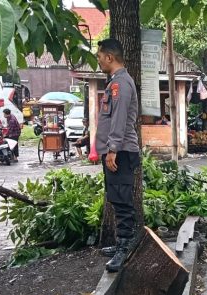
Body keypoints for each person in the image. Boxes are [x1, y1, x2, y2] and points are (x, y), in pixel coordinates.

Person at [95, 38, 141, 273]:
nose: (99, 60)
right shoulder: (115, 82)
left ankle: (126, 245)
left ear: (109, 57)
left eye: (100, 56)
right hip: (115, 151)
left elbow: (119, 118)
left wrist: (112, 149)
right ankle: (122, 242)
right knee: (116, 197)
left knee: (122, 199)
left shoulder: (120, 84)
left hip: (120, 152)